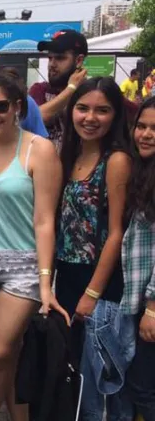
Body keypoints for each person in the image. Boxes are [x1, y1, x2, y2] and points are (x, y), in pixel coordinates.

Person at [0, 72, 68, 421]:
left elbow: (44, 221)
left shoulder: (39, 149)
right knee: (9, 353)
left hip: (23, 266)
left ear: (17, 108)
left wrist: (44, 282)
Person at [55, 78, 132, 420]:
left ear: (115, 116)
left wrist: (92, 293)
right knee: (75, 370)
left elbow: (116, 233)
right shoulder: (67, 155)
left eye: (102, 110)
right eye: (83, 108)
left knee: (98, 378)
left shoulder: (116, 160)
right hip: (66, 275)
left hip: (100, 282)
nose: (90, 117)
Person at [122, 96, 155, 420]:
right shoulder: (142, 170)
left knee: (144, 386)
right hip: (139, 298)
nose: (146, 134)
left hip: (152, 304)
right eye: (141, 126)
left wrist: (152, 308)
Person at [29, 29, 89, 151]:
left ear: (78, 61)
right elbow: (35, 118)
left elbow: (132, 113)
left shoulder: (92, 93)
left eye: (60, 58)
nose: (52, 64)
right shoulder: (40, 90)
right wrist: (71, 89)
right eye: (50, 58)